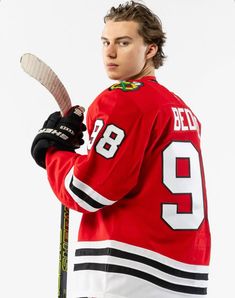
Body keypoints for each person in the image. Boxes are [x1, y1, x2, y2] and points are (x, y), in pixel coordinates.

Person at [31, 1, 211, 297]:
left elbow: (85, 191)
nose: (110, 53)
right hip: (186, 274)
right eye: (106, 42)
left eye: (124, 43)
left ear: (150, 49)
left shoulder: (122, 101)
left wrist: (53, 153)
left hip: (127, 274)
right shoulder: (180, 108)